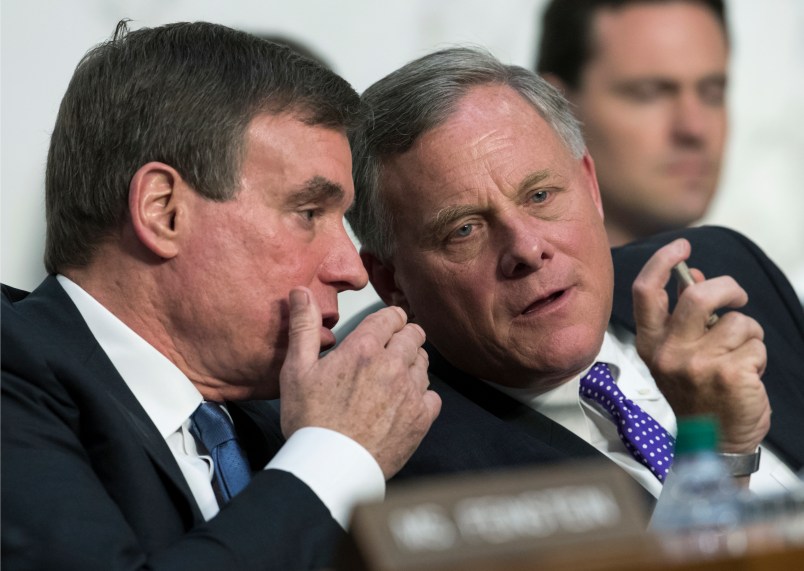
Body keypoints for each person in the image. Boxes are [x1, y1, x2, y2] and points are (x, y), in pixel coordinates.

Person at [1, 21, 440, 570]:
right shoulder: (12, 380)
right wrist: (334, 454)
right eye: (308, 213)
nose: (352, 269)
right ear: (164, 212)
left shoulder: (281, 415)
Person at [346, 47, 804, 502]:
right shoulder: (410, 468)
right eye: (464, 229)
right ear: (392, 283)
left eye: (540, 196)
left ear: (589, 185)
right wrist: (714, 453)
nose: (527, 248)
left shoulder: (720, 269)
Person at [536, 0, 729, 247]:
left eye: (712, 94)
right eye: (648, 94)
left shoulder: (758, 279)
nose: (694, 129)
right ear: (556, 107)